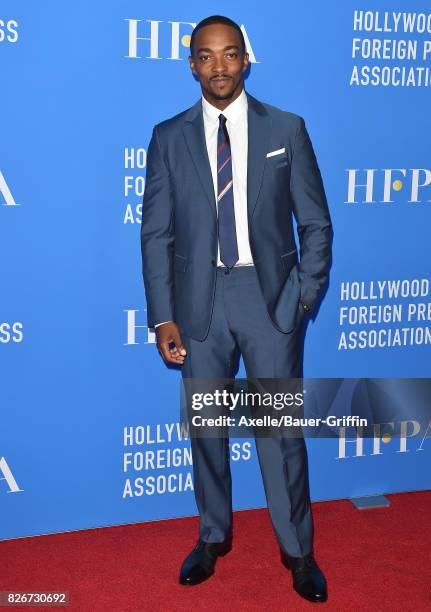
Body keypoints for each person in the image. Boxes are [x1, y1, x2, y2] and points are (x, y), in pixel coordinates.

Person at [141, 15, 332, 603]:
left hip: (268, 301)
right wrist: (162, 315)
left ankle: (298, 553)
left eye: (229, 55)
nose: (218, 66)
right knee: (207, 430)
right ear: (192, 63)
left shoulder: (287, 128)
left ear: (246, 59)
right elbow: (156, 235)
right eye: (206, 56)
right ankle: (212, 538)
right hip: (199, 305)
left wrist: (301, 297)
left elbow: (316, 223)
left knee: (279, 434)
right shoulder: (168, 136)